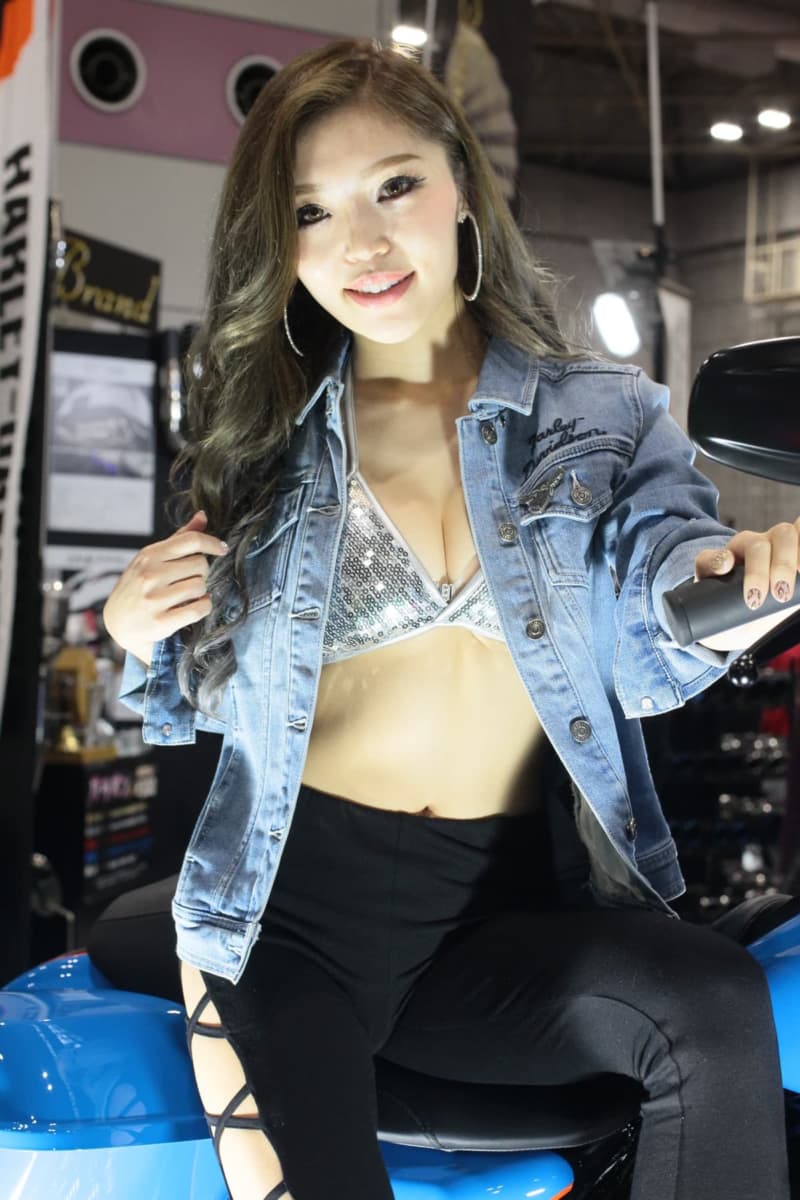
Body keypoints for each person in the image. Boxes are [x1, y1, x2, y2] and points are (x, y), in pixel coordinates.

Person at [103, 37, 797, 1200]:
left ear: (461, 186)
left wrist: (741, 583)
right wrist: (135, 629)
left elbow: (656, 605)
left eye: (394, 186)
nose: (362, 243)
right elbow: (198, 680)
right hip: (287, 920)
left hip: (499, 916)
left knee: (714, 1004)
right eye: (312, 211)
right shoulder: (265, 436)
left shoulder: (601, 414)